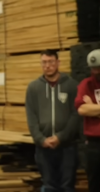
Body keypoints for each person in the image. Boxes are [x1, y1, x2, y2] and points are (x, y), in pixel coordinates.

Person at [25, 49, 79, 192]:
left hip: (67, 146)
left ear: (58, 63)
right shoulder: (33, 87)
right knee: (49, 186)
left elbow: (76, 114)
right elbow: (31, 116)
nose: (47, 65)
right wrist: (41, 139)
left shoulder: (71, 85)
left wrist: (61, 137)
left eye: (51, 62)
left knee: (67, 186)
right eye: (44, 62)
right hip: (43, 147)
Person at [75, 49, 100, 192]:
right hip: (94, 144)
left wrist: (94, 108)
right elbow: (82, 110)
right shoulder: (86, 84)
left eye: (99, 68)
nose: (96, 71)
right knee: (95, 183)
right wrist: (89, 108)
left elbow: (88, 108)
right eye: (93, 68)